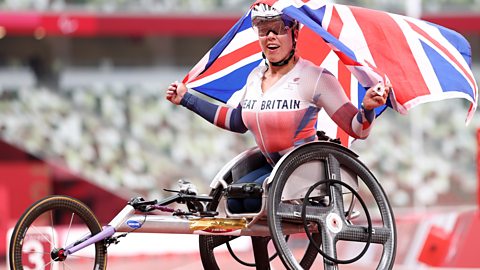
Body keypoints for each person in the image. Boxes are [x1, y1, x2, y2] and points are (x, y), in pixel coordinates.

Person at [166, 3, 390, 213]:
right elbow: (236, 120)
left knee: (250, 199)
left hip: (302, 169)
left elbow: (357, 129)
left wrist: (367, 109)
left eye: (278, 29)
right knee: (233, 201)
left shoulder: (316, 77)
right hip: (272, 166)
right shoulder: (255, 76)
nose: (270, 36)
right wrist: (187, 99)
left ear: (295, 33)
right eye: (264, 31)